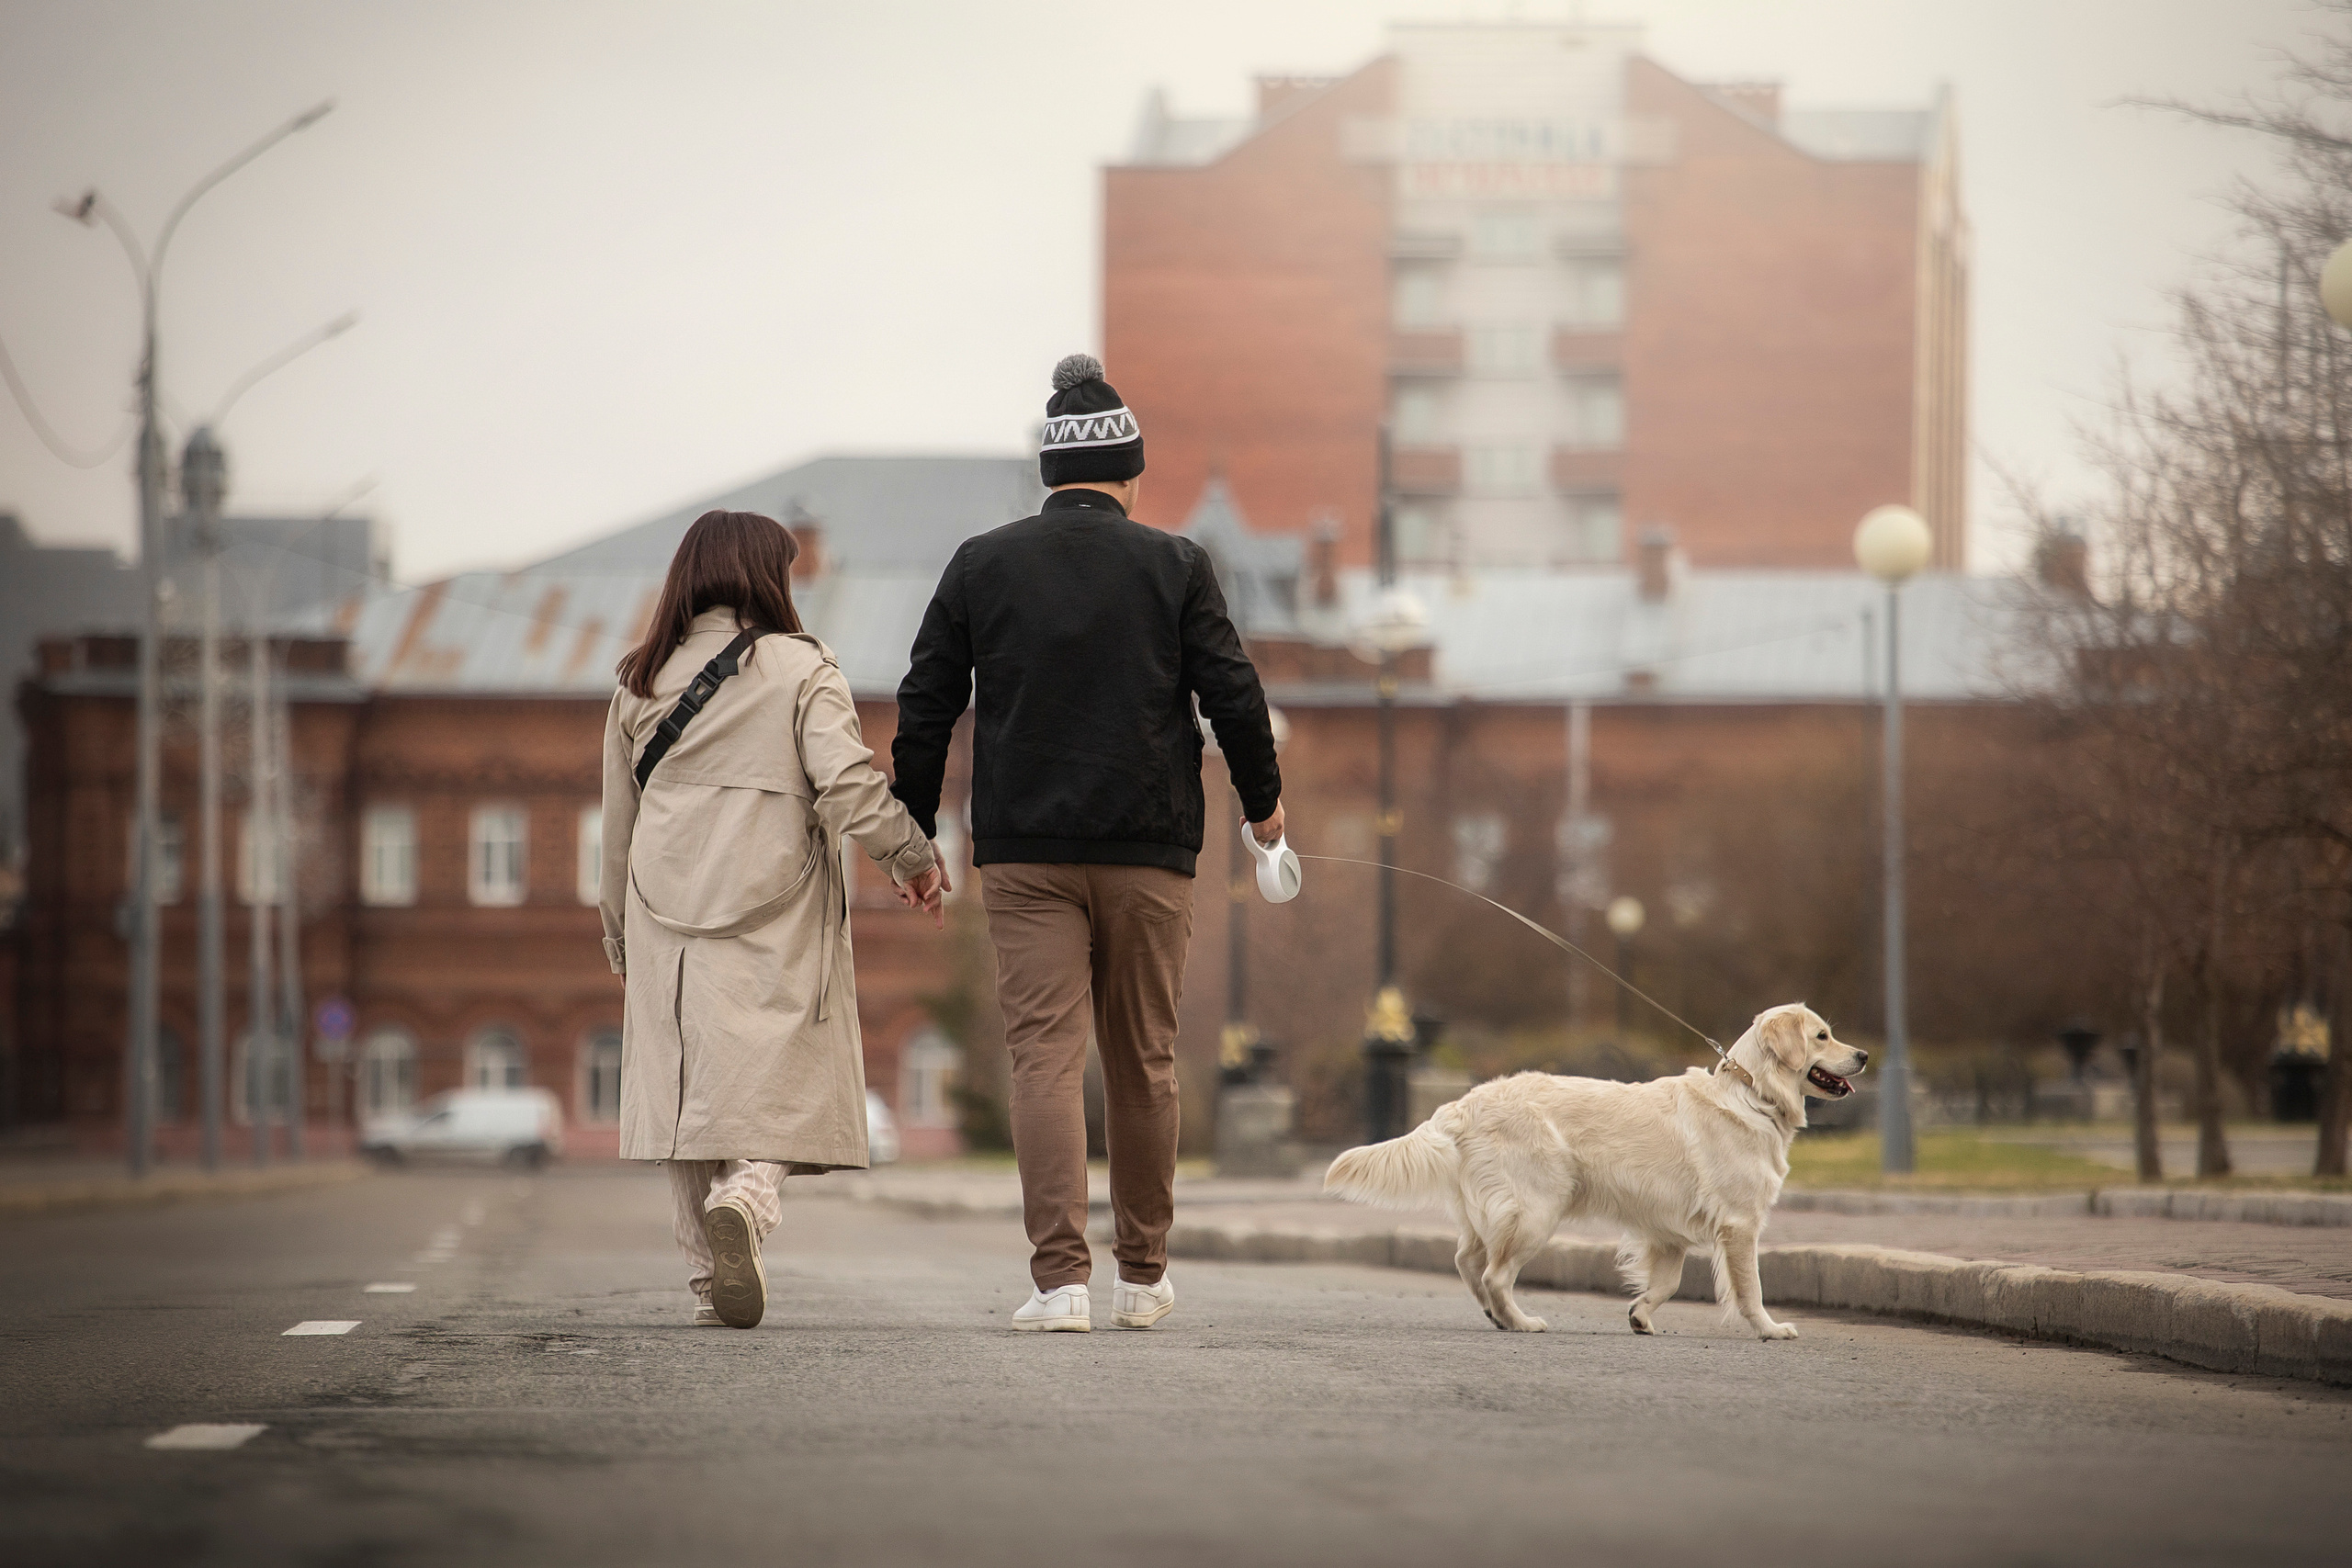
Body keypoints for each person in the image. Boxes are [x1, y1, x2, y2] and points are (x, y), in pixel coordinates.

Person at [892, 354, 1284, 1332]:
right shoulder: (1177, 564)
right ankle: (1143, 1278)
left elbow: (926, 700)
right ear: (1128, 474)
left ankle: (1059, 1282)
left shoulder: (982, 563)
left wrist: (911, 826)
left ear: (1050, 475)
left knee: (1043, 1061)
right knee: (1145, 1058)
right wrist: (1263, 808)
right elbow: (1233, 694)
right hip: (1149, 845)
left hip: (1024, 852)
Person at [599, 510, 946, 1329]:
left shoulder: (637, 682)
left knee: (687, 1090)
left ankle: (703, 1282)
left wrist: (618, 932)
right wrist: (913, 857)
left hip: (663, 909)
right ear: (766, 577)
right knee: (795, 1062)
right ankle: (749, 1197)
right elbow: (848, 782)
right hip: (774, 903)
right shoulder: (801, 668)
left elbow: (618, 826)